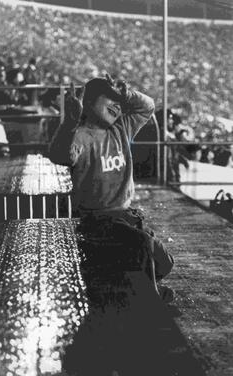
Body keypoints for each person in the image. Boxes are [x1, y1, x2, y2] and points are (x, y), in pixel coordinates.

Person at [49, 75, 174, 303]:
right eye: (111, 99)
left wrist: (127, 94)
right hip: (98, 219)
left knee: (165, 262)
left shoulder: (121, 128)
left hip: (126, 216)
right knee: (142, 245)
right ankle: (150, 297)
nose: (118, 106)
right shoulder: (79, 135)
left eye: (120, 102)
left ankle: (124, 281)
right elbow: (59, 155)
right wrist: (70, 122)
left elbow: (148, 106)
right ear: (88, 102)